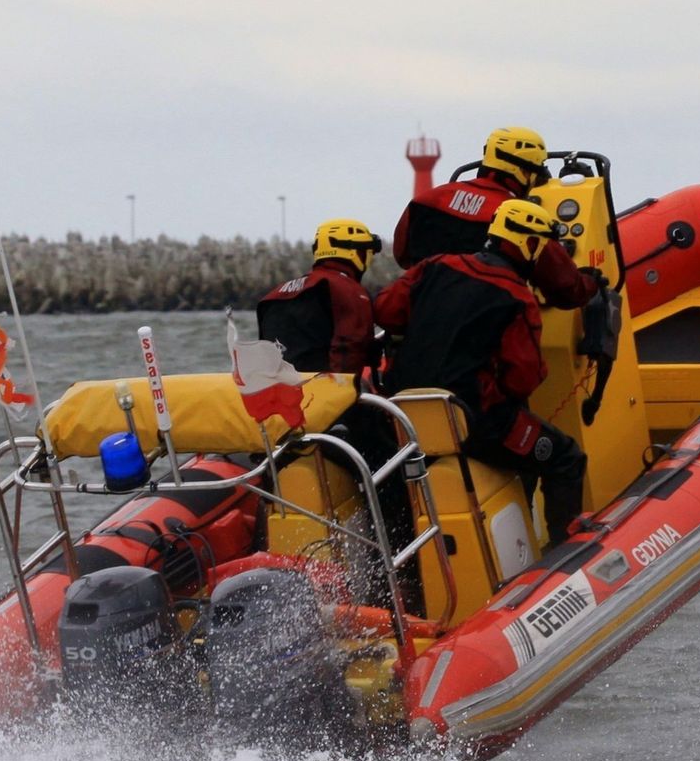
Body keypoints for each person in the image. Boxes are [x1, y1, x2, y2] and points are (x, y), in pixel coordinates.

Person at [374, 199, 588, 547]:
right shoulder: (517, 297)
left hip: (404, 415)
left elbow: (386, 309)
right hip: (474, 423)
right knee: (565, 458)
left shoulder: (435, 266)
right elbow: (524, 377)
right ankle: (564, 553)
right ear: (529, 244)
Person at [391, 125, 602, 310]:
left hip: (420, 323)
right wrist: (591, 282)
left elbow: (402, 255)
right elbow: (566, 290)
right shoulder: (519, 218)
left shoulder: (427, 200)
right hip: (480, 337)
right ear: (523, 173)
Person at [256, 218, 382, 375]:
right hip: (323, 392)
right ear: (354, 251)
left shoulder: (275, 294)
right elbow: (350, 350)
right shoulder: (349, 290)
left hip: (278, 391)